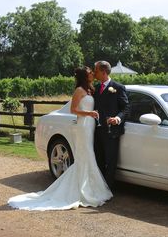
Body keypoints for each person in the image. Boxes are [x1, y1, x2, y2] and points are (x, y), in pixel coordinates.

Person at [8, 67, 113, 210]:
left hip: (90, 125)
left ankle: (91, 187)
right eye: (90, 73)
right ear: (84, 76)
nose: (93, 75)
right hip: (83, 125)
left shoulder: (90, 89)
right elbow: (73, 110)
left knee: (89, 154)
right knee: (86, 154)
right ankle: (83, 190)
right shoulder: (79, 91)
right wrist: (89, 113)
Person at [93, 61, 128, 189]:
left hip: (111, 131)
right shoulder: (95, 89)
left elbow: (126, 108)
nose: (94, 73)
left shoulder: (118, 88)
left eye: (96, 70)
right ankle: (99, 187)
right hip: (96, 131)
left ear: (103, 72)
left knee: (110, 161)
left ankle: (107, 189)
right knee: (99, 159)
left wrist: (117, 118)